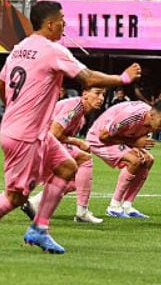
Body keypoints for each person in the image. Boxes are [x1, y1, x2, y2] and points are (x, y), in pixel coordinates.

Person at [0, 0, 141, 254]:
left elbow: (1, 84)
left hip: (26, 129)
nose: (64, 24)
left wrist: (16, 108)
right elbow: (87, 78)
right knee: (16, 197)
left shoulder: (20, 48)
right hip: (26, 135)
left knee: (67, 166)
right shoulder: (52, 50)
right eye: (62, 20)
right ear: (50, 24)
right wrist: (123, 78)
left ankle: (39, 228)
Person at [24, 87, 108, 224]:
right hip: (38, 143)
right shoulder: (75, 106)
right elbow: (54, 134)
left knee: (75, 181)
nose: (101, 98)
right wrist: (78, 142)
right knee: (85, 159)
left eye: (103, 95)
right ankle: (82, 212)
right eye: (97, 93)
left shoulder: (80, 116)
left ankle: (35, 202)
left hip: (40, 143)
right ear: (85, 94)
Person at [89, 98, 161, 219]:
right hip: (97, 139)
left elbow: (134, 136)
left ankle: (127, 206)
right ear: (151, 115)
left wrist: (134, 143)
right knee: (134, 161)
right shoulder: (131, 116)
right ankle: (114, 206)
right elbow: (103, 136)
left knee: (148, 160)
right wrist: (133, 142)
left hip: (119, 140)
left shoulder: (151, 122)